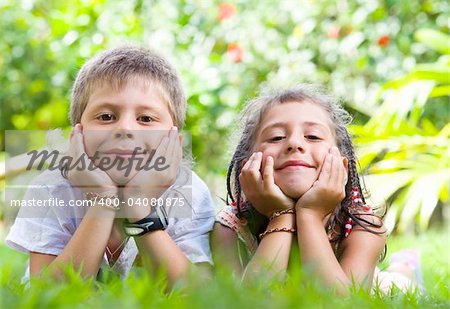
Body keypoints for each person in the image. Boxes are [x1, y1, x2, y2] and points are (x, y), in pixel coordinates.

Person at [6, 46, 216, 286]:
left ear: (175, 143)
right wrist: (103, 200)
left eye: (146, 119)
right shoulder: (52, 189)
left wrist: (138, 206)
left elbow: (194, 292)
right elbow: (48, 294)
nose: (125, 129)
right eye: (106, 117)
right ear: (77, 135)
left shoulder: (188, 192)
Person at [211, 84, 415, 294]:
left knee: (396, 283)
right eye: (276, 137)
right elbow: (245, 301)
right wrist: (281, 216)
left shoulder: (360, 225)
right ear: (247, 164)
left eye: (313, 136)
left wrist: (309, 214)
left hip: (376, 285)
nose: (294, 144)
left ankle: (404, 267)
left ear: (342, 165)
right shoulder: (231, 228)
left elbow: (343, 303)